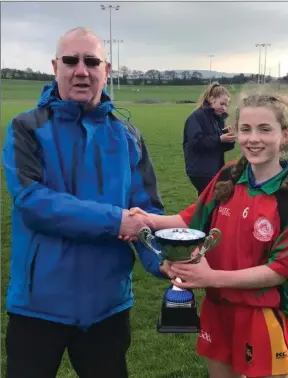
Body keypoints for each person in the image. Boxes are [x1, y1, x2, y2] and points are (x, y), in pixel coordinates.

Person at [2, 27, 172, 378]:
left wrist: (165, 262)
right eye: (71, 60)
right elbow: (32, 202)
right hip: (38, 307)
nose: (82, 70)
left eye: (92, 61)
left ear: (106, 70)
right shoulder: (26, 128)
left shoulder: (128, 136)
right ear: (55, 67)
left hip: (106, 307)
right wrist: (115, 221)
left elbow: (147, 212)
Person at [129, 92, 288, 378]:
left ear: (286, 135)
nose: (253, 138)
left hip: (261, 313)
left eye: (265, 129)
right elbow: (192, 218)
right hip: (218, 308)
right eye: (245, 129)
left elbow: (281, 271)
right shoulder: (229, 175)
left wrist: (210, 278)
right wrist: (148, 220)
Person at [183, 82, 236, 196]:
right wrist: (219, 139)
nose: (224, 107)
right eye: (222, 104)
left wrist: (230, 139)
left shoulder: (219, 119)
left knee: (209, 202)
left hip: (214, 168)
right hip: (200, 170)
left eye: (226, 105)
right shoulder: (197, 117)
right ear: (211, 99)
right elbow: (196, 142)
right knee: (210, 201)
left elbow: (219, 146)